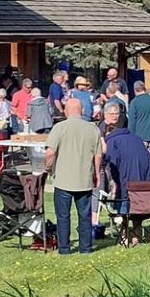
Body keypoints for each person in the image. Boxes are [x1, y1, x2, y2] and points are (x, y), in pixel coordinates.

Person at [44, 94, 103, 255]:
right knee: (85, 216)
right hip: (84, 178)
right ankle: (86, 247)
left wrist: (49, 168)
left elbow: (49, 153)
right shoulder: (93, 129)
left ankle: (64, 248)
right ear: (82, 111)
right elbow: (98, 155)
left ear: (66, 111)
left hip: (63, 179)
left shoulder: (59, 128)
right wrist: (97, 173)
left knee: (63, 216)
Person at [102, 103, 150, 246]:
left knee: (124, 202)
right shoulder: (135, 137)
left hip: (127, 180)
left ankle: (124, 235)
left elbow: (112, 163)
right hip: (145, 182)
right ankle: (137, 235)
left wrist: (111, 182)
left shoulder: (112, 141)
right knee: (137, 203)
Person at [127, 80, 150, 155]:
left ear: (135, 90)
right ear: (144, 89)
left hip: (139, 138)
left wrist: (131, 137)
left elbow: (132, 122)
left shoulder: (134, 102)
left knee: (141, 161)